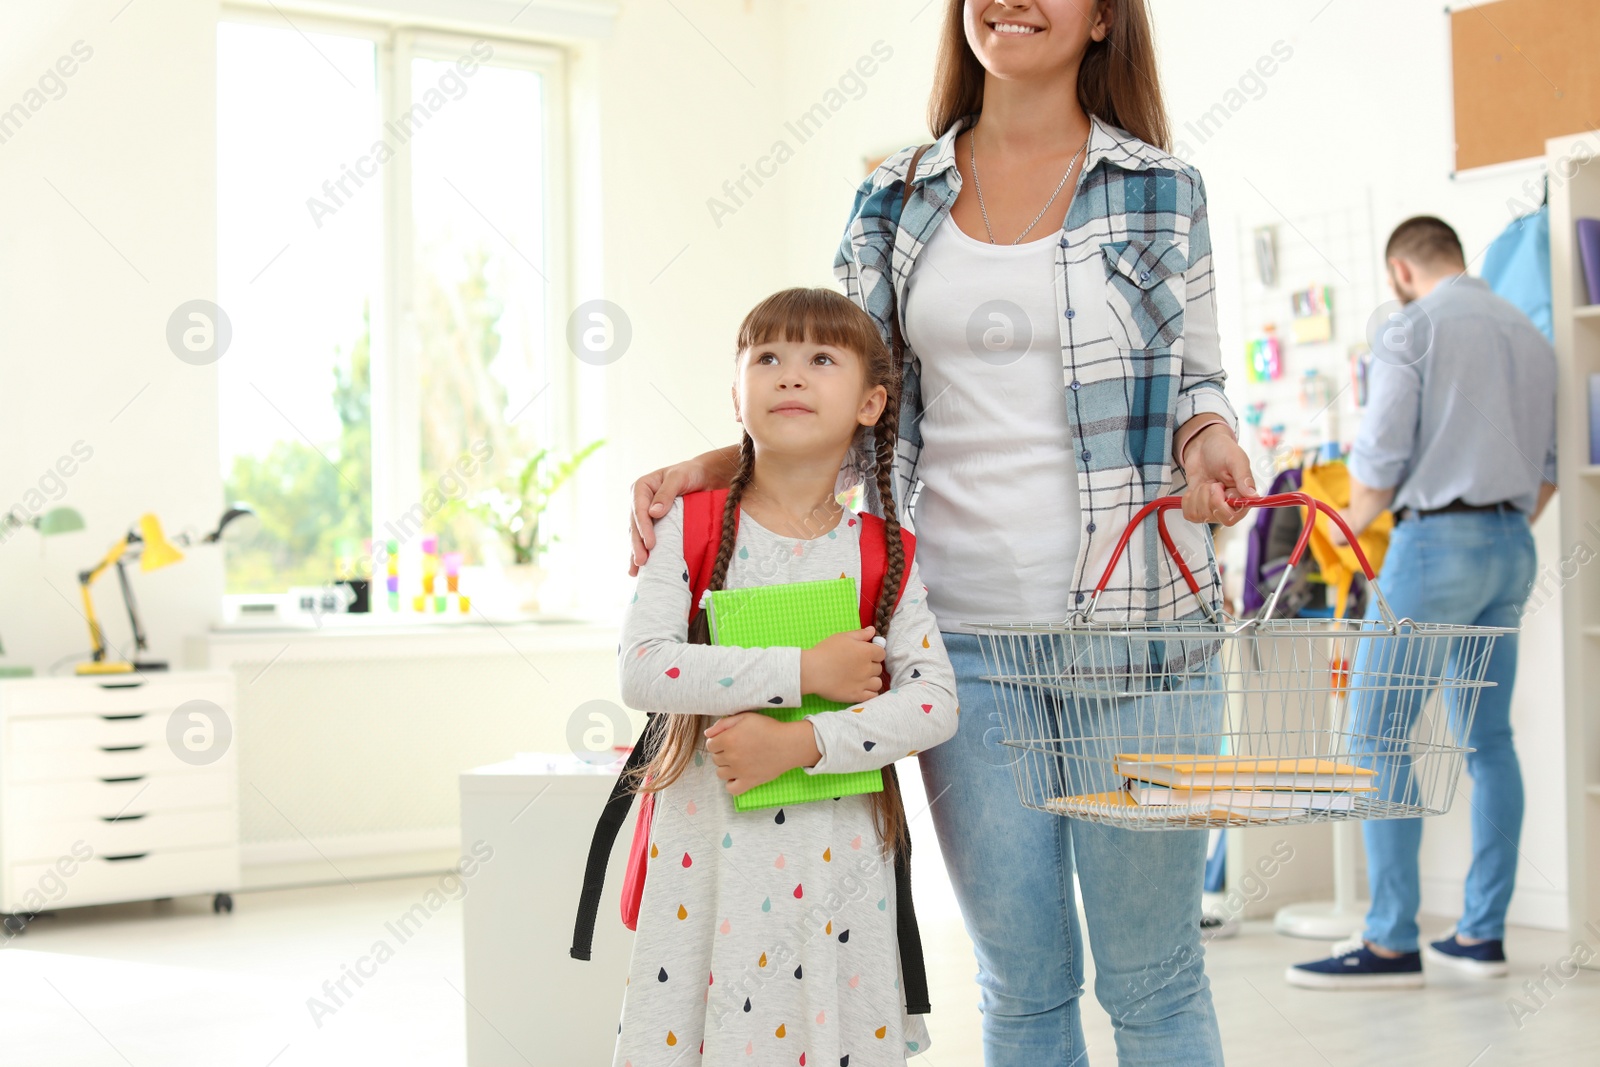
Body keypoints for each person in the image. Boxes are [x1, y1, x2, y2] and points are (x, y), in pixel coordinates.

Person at [628, 3, 1258, 1062]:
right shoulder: (892, 193)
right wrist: (717, 464)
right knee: (1020, 981)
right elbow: (839, 387)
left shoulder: (1161, 187)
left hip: (1142, 635)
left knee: (1152, 979)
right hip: (958, 640)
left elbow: (1196, 378)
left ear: (1102, 20)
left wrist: (1207, 442)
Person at [613, 288, 960, 1064]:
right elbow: (643, 668)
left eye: (820, 359)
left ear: (871, 403)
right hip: (708, 856)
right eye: (767, 357)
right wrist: (803, 669)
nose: (790, 375)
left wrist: (804, 739)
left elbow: (935, 704)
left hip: (837, 865)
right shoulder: (690, 528)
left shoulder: (885, 551)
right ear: (735, 394)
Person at [1287, 216, 1558, 989]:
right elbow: (1548, 466)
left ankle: (1390, 941)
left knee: (1374, 737)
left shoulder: (1411, 329)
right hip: (1512, 545)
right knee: (1490, 741)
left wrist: (1338, 526)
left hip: (1434, 545)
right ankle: (1480, 934)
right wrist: (1494, 529)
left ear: (1401, 269)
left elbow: (1376, 461)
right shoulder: (1531, 334)